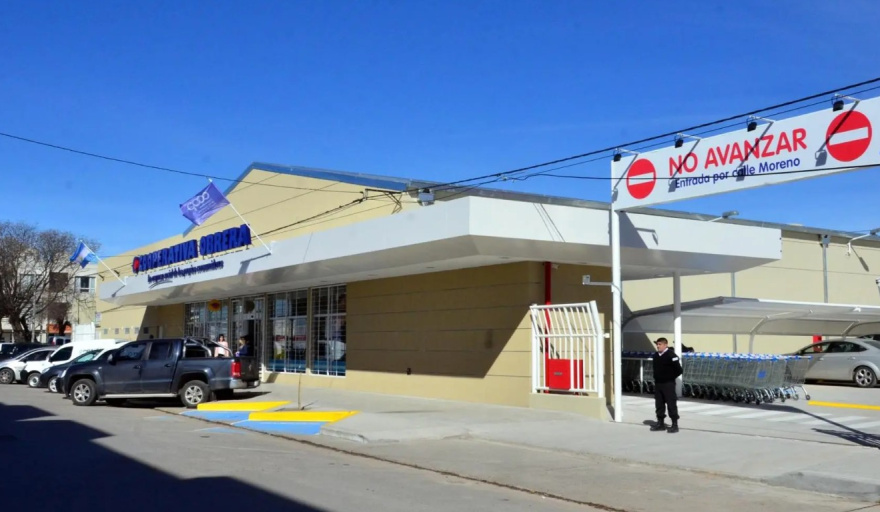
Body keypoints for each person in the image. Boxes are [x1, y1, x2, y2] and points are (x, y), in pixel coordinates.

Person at [651, 337, 683, 433]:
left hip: (668, 384)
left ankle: (674, 424)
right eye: (657, 344)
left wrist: (669, 377)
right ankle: (660, 423)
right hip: (658, 384)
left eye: (660, 344)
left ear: (665, 345)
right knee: (659, 404)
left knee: (671, 403)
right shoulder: (656, 355)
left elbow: (679, 370)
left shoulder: (671, 355)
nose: (657, 346)